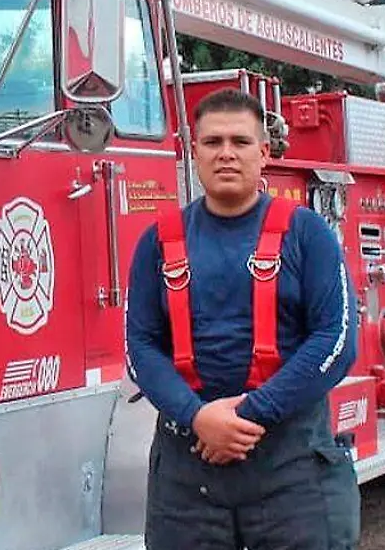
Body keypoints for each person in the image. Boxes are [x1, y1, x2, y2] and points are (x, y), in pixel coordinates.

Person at [125, 86, 360, 550]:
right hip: (187, 476)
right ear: (193, 151)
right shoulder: (157, 241)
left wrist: (244, 418)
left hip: (291, 467)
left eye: (240, 142)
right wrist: (198, 418)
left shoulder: (307, 234)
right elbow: (140, 349)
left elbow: (336, 342)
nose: (226, 154)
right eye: (212, 143)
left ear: (264, 153)